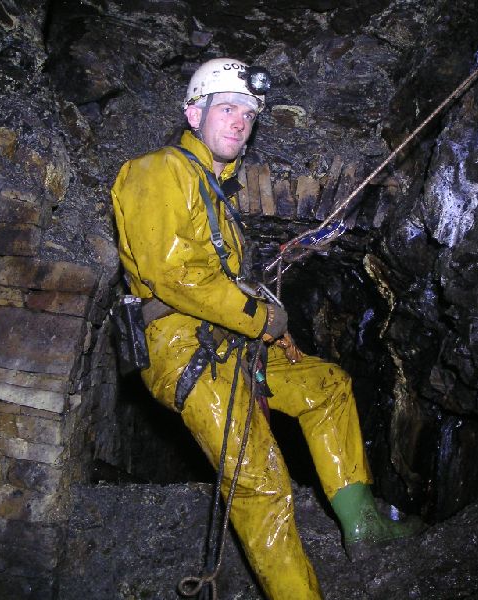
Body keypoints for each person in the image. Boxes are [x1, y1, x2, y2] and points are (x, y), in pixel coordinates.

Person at [111, 57, 423, 600]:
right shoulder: (158, 171)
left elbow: (224, 279)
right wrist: (260, 317)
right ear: (193, 112)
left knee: (327, 387)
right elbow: (172, 274)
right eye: (227, 108)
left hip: (229, 343)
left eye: (249, 115)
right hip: (183, 351)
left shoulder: (214, 191)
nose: (240, 122)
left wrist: (270, 325)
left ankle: (364, 527)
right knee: (260, 481)